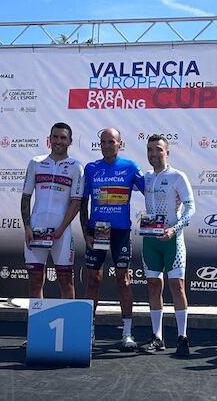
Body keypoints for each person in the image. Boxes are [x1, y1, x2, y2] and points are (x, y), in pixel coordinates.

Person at [81, 128, 145, 351]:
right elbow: (83, 202)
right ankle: (88, 331)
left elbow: (151, 191)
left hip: (120, 231)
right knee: (93, 280)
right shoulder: (91, 168)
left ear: (120, 144)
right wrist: (85, 232)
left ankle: (127, 333)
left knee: (123, 280)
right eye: (103, 142)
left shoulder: (130, 167)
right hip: (97, 229)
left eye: (111, 141)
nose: (107, 145)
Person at [138, 135, 195, 356]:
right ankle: (157, 337)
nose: (154, 154)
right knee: (153, 286)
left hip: (172, 239)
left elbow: (190, 208)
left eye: (158, 149)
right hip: (150, 240)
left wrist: (174, 229)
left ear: (167, 152)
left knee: (177, 286)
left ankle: (182, 337)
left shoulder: (177, 176)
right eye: (150, 150)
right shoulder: (145, 177)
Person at [21, 122, 83, 299]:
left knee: (66, 280)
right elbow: (26, 197)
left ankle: (67, 316)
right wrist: (27, 227)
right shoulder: (36, 163)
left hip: (62, 231)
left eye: (63, 138)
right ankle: (37, 316)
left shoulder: (76, 167)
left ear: (70, 141)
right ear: (49, 139)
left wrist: (61, 229)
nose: (58, 141)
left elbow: (76, 203)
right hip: (36, 228)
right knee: (35, 280)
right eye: (55, 137)